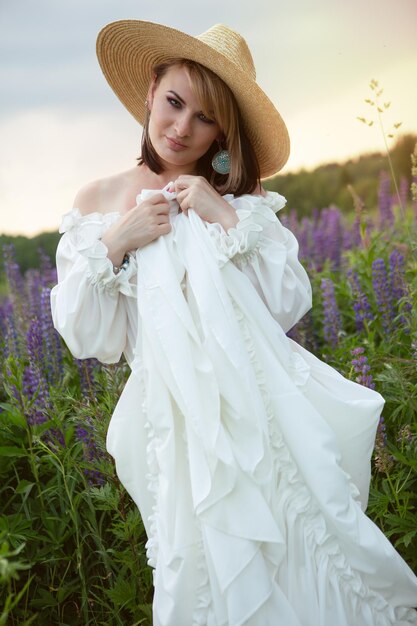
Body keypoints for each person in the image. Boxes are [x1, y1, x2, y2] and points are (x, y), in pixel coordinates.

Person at [50, 20, 417, 626]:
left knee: (310, 543)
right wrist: (117, 241)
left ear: (223, 131)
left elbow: (284, 302)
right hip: (178, 421)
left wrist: (220, 213)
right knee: (197, 568)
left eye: (204, 118)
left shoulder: (242, 207)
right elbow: (94, 338)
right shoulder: (100, 201)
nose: (181, 128)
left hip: (264, 415)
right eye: (174, 103)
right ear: (150, 89)